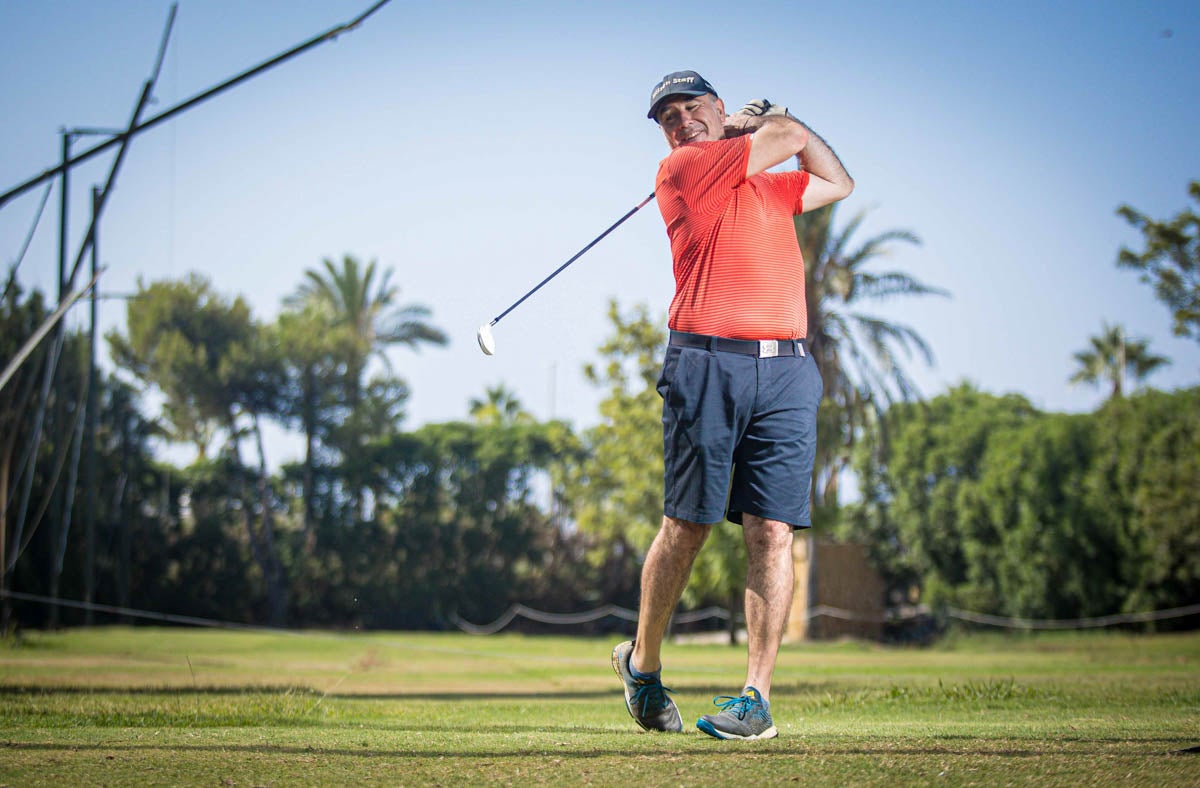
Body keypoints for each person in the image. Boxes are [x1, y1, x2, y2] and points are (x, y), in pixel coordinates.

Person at [612, 70, 854, 741]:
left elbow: (836, 179)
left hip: (786, 371)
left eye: (693, 108)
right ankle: (643, 663)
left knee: (772, 530)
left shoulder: (768, 186)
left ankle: (756, 698)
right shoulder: (684, 169)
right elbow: (791, 135)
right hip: (706, 363)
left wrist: (772, 125)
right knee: (687, 526)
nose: (681, 121)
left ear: (718, 107)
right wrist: (763, 124)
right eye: (668, 117)